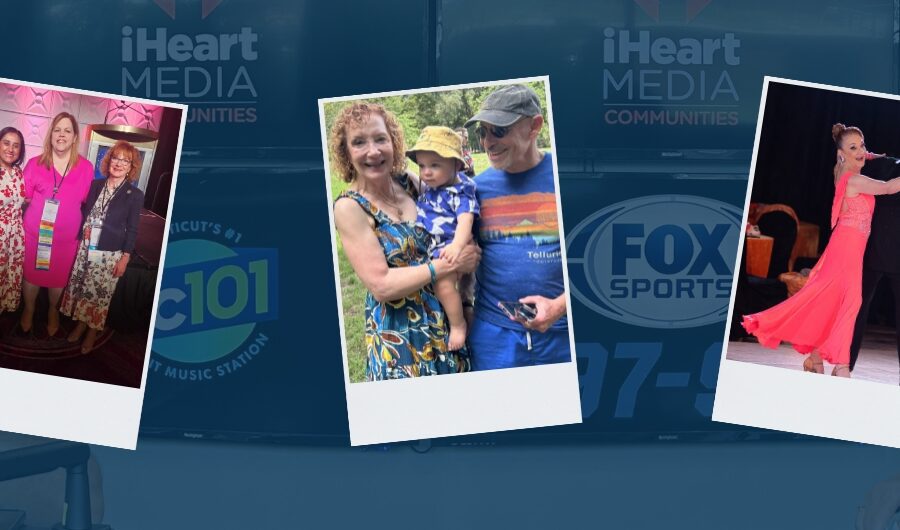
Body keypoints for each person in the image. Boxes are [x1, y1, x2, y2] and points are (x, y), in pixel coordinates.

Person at [330, 102, 480, 381]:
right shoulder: (349, 208)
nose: (373, 151)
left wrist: (466, 301)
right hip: (401, 341)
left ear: (393, 142)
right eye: (359, 142)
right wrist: (446, 265)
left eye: (380, 139)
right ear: (346, 152)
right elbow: (382, 285)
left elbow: (452, 225)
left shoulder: (411, 183)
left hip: (446, 324)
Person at [742, 123, 900, 377]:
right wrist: (868, 157)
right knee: (851, 302)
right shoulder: (856, 181)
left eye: (862, 146)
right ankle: (842, 365)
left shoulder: (841, 172)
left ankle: (816, 359)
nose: (861, 151)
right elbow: (889, 187)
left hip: (845, 249)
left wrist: (869, 155)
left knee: (831, 302)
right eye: (853, 148)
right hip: (845, 251)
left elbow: (859, 157)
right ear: (841, 154)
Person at [463, 84, 571, 370]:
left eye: (499, 130)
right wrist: (465, 307)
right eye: (482, 132)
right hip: (494, 339)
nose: (488, 142)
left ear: (534, 126)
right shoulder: (474, 189)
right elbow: (465, 262)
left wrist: (559, 307)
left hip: (563, 335)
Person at [60, 140, 144, 353]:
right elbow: (85, 212)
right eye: (116, 158)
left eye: (126, 160)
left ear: (131, 167)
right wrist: (82, 231)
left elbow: (133, 229)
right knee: (83, 290)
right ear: (109, 160)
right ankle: (80, 325)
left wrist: (125, 258)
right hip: (86, 249)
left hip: (109, 253)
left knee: (99, 295)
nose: (119, 163)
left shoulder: (134, 195)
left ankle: (91, 331)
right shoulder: (96, 185)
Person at [20, 112, 94, 337]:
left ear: (75, 137)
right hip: (35, 235)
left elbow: (86, 201)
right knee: (31, 276)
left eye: (67, 130)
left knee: (58, 280)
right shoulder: (34, 164)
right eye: (57, 130)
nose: (62, 135)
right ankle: (29, 308)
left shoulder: (86, 168)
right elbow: (26, 197)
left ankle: (53, 310)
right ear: (51, 134)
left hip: (66, 240)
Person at [406, 126, 479, 350]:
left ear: (457, 165)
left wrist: (457, 246)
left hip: (451, 246)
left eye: (434, 165)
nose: (426, 172)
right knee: (444, 289)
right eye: (422, 166)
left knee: (443, 286)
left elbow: (466, 220)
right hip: (436, 247)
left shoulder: (461, 192)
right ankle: (456, 311)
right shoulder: (432, 187)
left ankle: (458, 325)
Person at [0, 127, 26, 319]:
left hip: (15, 235)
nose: (11, 149)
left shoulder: (18, 172)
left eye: (16, 146)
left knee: (8, 275)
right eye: (6, 143)